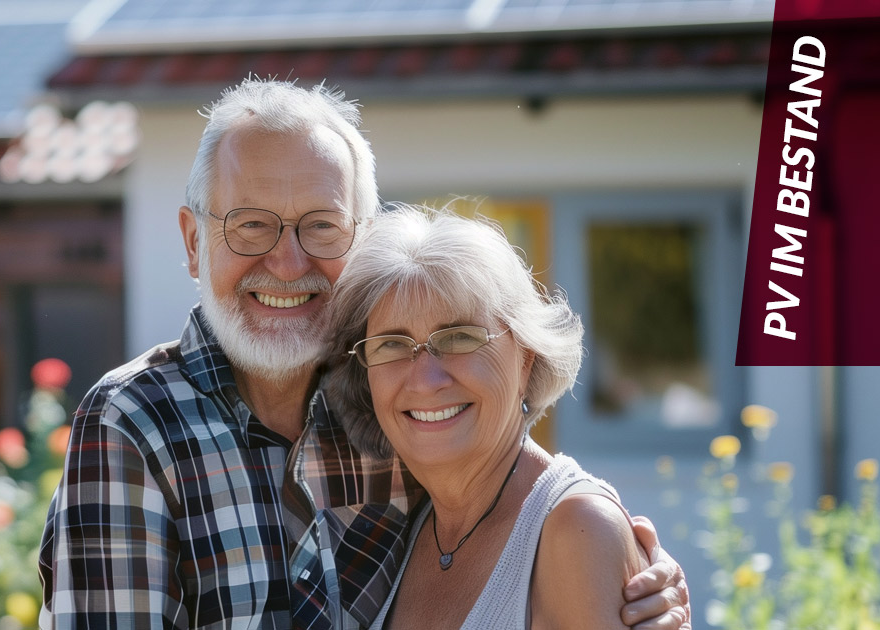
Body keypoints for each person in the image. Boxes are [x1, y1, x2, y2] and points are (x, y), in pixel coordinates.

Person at [37, 79, 690, 629]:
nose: (287, 262)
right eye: (251, 224)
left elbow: (529, 510)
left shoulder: (395, 404)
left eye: (321, 225)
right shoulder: (134, 424)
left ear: (363, 239)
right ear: (192, 241)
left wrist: (616, 559)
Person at [301, 206, 673, 629]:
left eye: (459, 337)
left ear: (526, 360)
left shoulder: (577, 531)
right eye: (392, 344)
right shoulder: (399, 522)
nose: (425, 380)